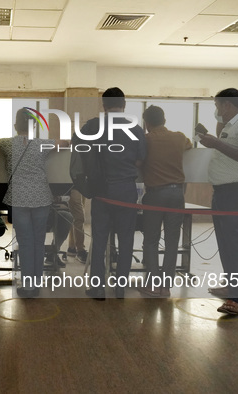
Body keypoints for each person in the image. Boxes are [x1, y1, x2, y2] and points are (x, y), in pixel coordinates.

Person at [196, 88, 238, 315]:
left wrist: (216, 144)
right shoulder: (231, 125)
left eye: (217, 106)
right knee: (227, 244)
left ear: (227, 105)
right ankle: (232, 285)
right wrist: (216, 139)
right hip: (225, 194)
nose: (216, 111)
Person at [84, 88, 147, 300]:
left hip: (102, 189)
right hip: (126, 189)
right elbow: (140, 161)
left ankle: (98, 288)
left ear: (103, 105)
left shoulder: (93, 126)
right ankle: (120, 288)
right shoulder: (136, 129)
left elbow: (80, 148)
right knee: (126, 239)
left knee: (100, 239)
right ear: (124, 104)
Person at [0, 108, 56, 298]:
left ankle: (28, 287)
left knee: (26, 243)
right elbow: (64, 144)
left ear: (15, 126)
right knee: (38, 241)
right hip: (42, 197)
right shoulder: (42, 144)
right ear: (35, 126)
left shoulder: (7, 143)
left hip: (19, 198)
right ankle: (36, 284)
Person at [137, 105, 192, 298]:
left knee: (151, 241)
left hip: (155, 195)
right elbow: (190, 146)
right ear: (165, 120)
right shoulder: (179, 137)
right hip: (177, 194)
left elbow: (137, 160)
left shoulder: (145, 139)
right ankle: (166, 287)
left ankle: (153, 284)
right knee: (172, 241)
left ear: (147, 123)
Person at [67, 189, 88, 264]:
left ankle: (73, 247)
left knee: (77, 216)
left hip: (79, 182)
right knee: (78, 216)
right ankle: (79, 249)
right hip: (74, 183)